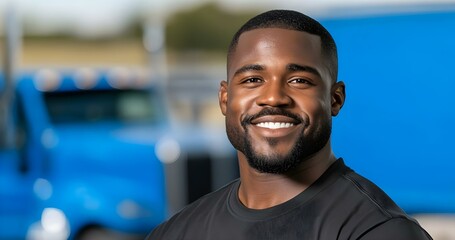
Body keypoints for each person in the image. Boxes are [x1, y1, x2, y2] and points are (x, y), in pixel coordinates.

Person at [147, 9, 432, 240]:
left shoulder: (378, 231)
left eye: (299, 81)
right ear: (225, 98)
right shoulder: (175, 232)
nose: (273, 97)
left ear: (335, 99)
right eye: (252, 80)